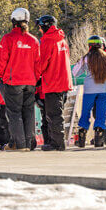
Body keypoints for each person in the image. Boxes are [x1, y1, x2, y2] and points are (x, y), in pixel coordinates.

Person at [0, 8, 41, 151]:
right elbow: (38, 63)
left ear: (13, 21)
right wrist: (36, 78)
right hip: (30, 82)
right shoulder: (33, 40)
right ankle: (29, 143)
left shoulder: (8, 38)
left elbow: (2, 60)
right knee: (28, 112)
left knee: (14, 113)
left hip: (13, 81)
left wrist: (1, 75)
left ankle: (20, 145)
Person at [71, 36, 106, 148]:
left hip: (89, 90)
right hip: (104, 89)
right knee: (101, 114)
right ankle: (99, 138)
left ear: (90, 46)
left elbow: (75, 72)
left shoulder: (86, 58)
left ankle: (82, 136)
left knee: (85, 113)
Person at [36, 15, 71, 151]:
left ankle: (57, 143)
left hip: (52, 82)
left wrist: (35, 77)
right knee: (58, 113)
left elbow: (42, 63)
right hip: (64, 81)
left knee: (53, 115)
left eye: (40, 27)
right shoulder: (62, 40)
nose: (39, 30)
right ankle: (58, 141)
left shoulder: (47, 41)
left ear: (45, 26)